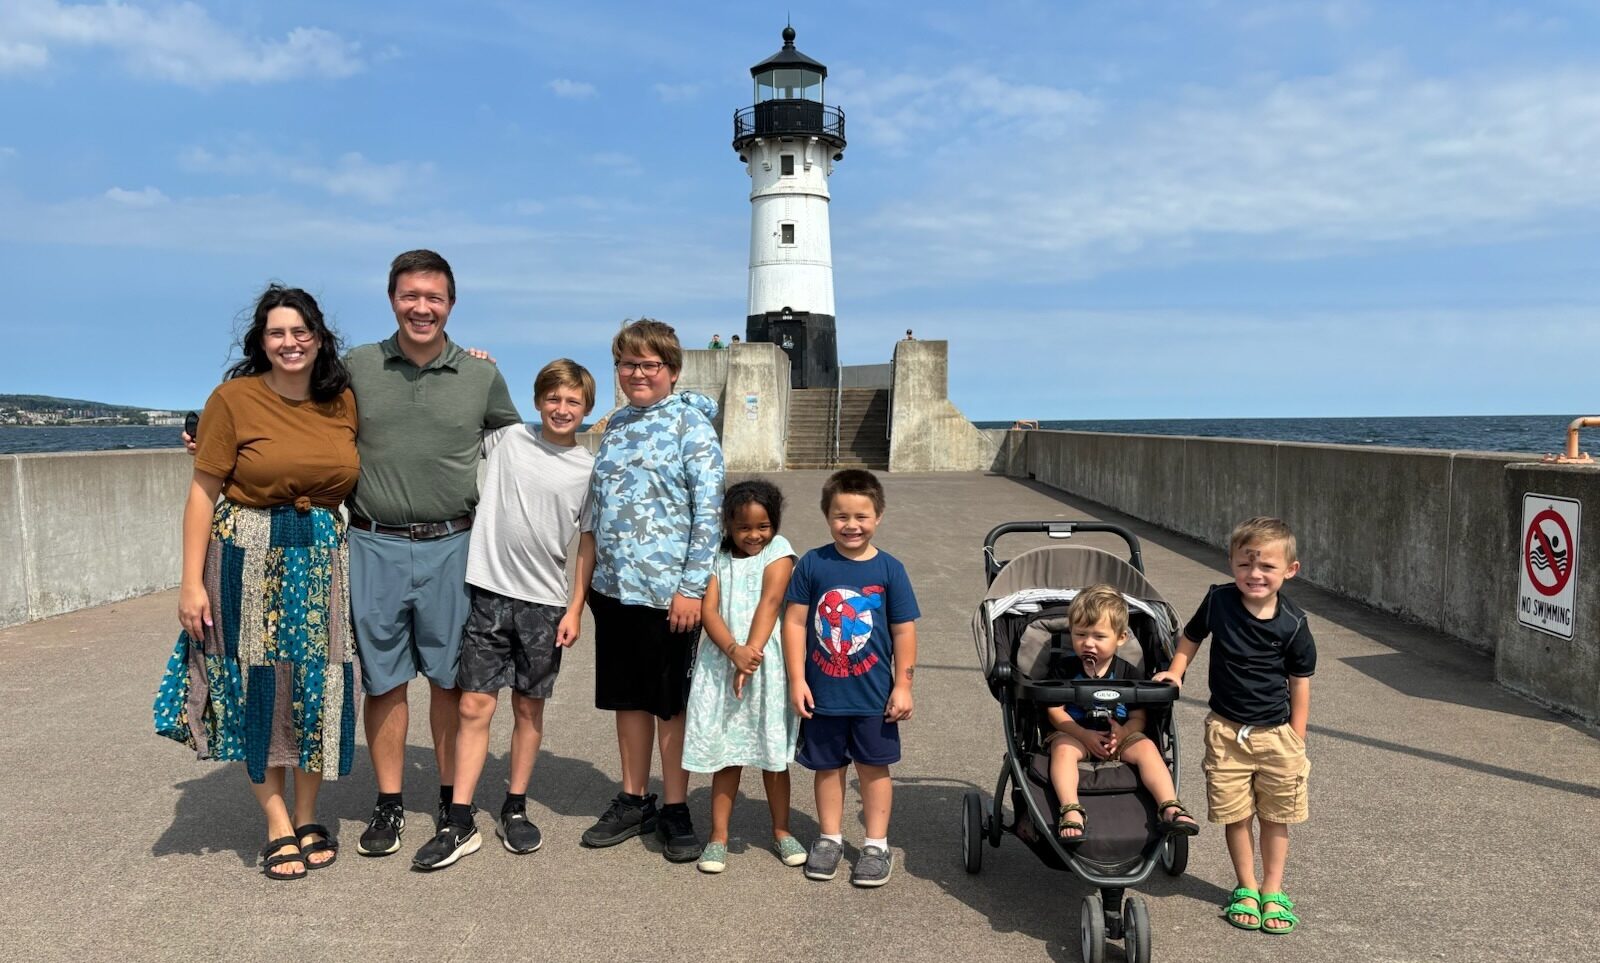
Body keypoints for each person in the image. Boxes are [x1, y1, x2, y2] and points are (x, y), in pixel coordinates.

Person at [154, 285, 360, 880]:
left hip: (322, 558)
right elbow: (202, 493)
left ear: (319, 339)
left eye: (301, 332)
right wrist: (189, 583)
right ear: (261, 341)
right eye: (277, 332)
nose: (290, 343)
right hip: (245, 554)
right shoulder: (234, 398)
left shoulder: (341, 399)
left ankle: (308, 813)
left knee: (318, 683)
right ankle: (275, 822)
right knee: (254, 686)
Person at [345, 250, 522, 857]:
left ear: (451, 303)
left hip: (454, 546)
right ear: (392, 297)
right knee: (384, 685)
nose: (422, 308)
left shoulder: (479, 375)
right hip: (374, 542)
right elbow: (296, 417)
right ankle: (390, 803)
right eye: (409, 295)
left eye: (434, 298)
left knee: (450, 683)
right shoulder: (355, 368)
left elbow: (518, 449)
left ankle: (453, 802)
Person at [411, 360, 598, 871]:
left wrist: (575, 608)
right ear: (538, 401)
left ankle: (515, 806)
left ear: (586, 410)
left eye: (573, 402)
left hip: (545, 602)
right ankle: (459, 817)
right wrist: (479, 364)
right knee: (474, 706)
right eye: (553, 399)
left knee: (528, 709)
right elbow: (463, 401)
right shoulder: (509, 439)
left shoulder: (587, 470)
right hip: (488, 593)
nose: (562, 409)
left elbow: (586, 544)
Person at [581, 318, 725, 862]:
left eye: (649, 365)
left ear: (671, 370)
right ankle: (633, 797)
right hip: (615, 590)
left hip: (671, 595)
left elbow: (708, 513)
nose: (637, 373)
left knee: (669, 704)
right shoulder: (616, 424)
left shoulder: (691, 426)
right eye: (627, 364)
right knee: (629, 700)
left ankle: (676, 806)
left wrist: (691, 588)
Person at [1153, 517, 1316, 935]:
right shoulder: (1219, 601)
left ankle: (1273, 890)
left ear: (1290, 571)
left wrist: (1296, 736)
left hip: (1278, 735)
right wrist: (1175, 671)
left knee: (1276, 817)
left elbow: (1300, 684)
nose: (1254, 574)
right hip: (1226, 731)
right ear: (1231, 563)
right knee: (1237, 814)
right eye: (1245, 564)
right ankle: (1245, 886)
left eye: (1266, 567)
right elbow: (1191, 637)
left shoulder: (1293, 623)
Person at [782, 469, 918, 888]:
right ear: (827, 517)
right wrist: (796, 679)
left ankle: (876, 844)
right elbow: (795, 623)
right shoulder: (813, 564)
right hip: (823, 692)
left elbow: (904, 630)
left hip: (874, 696)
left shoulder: (890, 569)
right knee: (827, 768)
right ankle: (829, 837)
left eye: (861, 516)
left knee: (874, 769)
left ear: (878, 516)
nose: (851, 525)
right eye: (841, 516)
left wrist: (903, 684)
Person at [683, 479, 803, 874]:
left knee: (773, 760)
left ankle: (782, 830)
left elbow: (771, 601)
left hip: (765, 665)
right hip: (723, 662)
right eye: (744, 528)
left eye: (763, 526)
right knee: (727, 757)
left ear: (775, 524)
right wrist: (733, 651)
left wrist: (748, 656)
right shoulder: (717, 557)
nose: (754, 535)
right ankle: (717, 837)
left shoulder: (780, 551)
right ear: (729, 526)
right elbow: (710, 610)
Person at [1044, 585, 1199, 843]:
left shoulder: (1128, 671)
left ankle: (1170, 805)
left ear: (1121, 638)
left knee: (1148, 748)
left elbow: (1139, 717)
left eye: (1099, 636)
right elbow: (1054, 712)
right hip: (1075, 733)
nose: (1088, 643)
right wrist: (1082, 733)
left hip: (1120, 737)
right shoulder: (1064, 668)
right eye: (1080, 634)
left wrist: (1124, 732)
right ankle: (1070, 809)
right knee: (1062, 749)